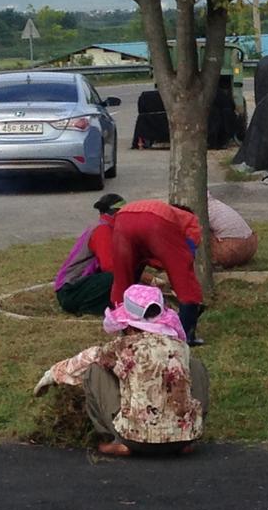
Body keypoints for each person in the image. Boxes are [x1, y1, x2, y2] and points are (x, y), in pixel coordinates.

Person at [33, 284, 208, 457]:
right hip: (183, 438)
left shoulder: (123, 346)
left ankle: (118, 440)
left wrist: (52, 374)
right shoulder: (181, 347)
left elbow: (86, 359)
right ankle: (185, 436)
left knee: (94, 370)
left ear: (129, 327)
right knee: (195, 366)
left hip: (136, 439)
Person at [110, 199, 205, 344]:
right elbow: (186, 258)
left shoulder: (166, 210)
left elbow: (142, 259)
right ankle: (186, 334)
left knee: (123, 276)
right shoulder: (190, 220)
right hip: (156, 222)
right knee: (185, 282)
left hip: (123, 218)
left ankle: (123, 327)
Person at [54, 193, 125, 315]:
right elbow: (109, 266)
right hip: (70, 291)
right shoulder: (103, 230)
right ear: (116, 212)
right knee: (112, 277)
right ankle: (89, 309)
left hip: (74, 288)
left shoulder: (103, 226)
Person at [207, 191, 257, 268]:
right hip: (251, 245)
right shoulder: (215, 204)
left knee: (193, 228)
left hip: (229, 249)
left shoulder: (202, 208)